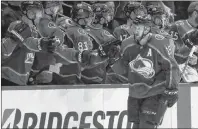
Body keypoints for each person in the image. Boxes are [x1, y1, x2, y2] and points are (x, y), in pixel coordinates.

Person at [111, 16, 180, 128]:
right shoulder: (127, 44)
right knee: (136, 126)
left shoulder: (160, 43)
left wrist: (173, 89)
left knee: (147, 125)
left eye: (139, 28)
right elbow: (123, 71)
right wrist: (113, 60)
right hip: (135, 93)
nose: (136, 30)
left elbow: (172, 66)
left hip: (156, 92)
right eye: (135, 27)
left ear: (147, 29)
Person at [1, 1, 58, 86]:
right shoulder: (16, 25)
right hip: (7, 78)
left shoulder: (34, 31)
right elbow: (4, 52)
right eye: (36, 12)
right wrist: (14, 38)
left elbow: (30, 43)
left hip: (22, 80)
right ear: (29, 13)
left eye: (39, 12)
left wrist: (43, 43)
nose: (39, 16)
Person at [80, 3, 120, 84]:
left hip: (97, 76)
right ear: (101, 18)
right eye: (107, 15)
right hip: (86, 75)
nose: (109, 17)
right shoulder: (81, 31)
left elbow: (113, 60)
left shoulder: (109, 36)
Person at [168, 2, 198, 82]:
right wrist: (188, 54)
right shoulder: (177, 26)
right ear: (195, 13)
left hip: (192, 70)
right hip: (175, 70)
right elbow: (168, 51)